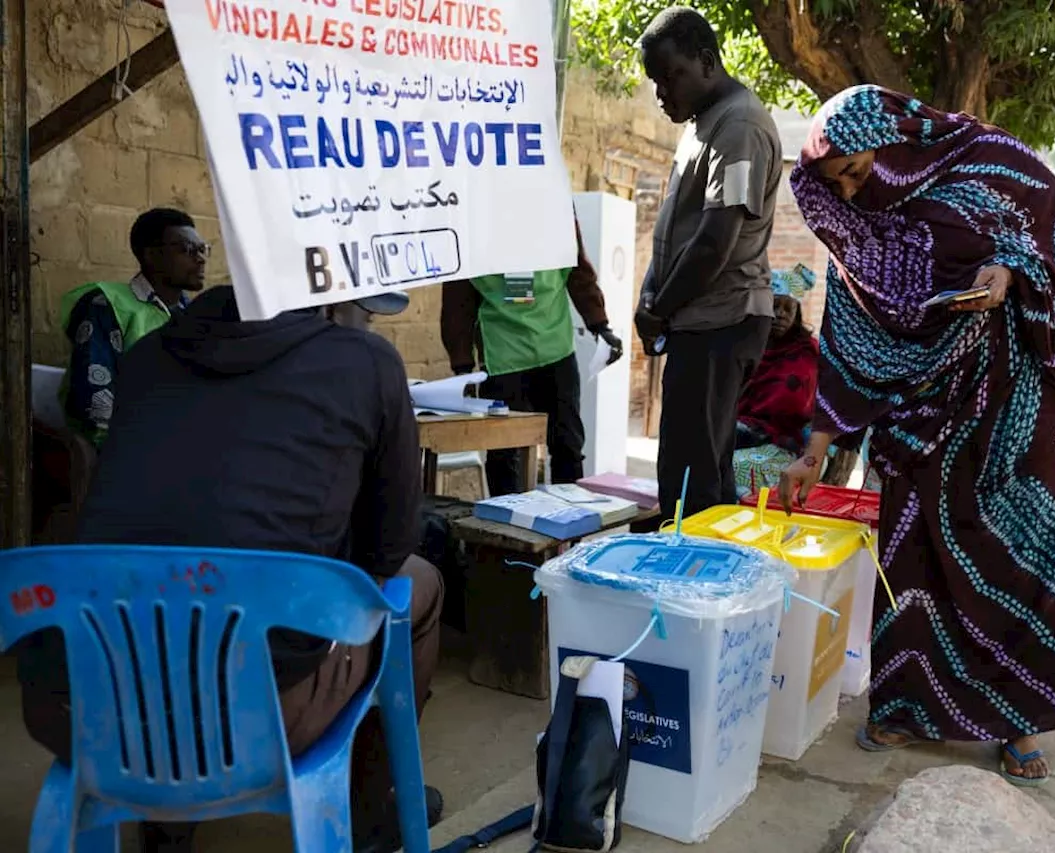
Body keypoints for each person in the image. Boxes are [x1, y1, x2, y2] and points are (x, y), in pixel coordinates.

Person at [18, 285, 443, 853]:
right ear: (329, 301)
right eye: (365, 311)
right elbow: (388, 549)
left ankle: (166, 827)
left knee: (178, 586)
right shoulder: (367, 361)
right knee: (419, 584)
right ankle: (370, 818)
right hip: (257, 715)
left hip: (77, 705)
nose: (368, 325)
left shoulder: (147, 356)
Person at [778, 86, 1055, 786]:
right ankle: (905, 703)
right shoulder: (855, 224)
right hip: (918, 416)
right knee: (913, 561)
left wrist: (1010, 273)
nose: (852, 189)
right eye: (836, 179)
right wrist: (815, 446)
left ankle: (1020, 716)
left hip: (1013, 406)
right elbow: (848, 336)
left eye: (857, 170)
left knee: (1022, 557)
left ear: (891, 138)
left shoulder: (995, 167)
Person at [633, 6, 783, 518]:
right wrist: (649, 296)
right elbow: (677, 232)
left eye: (670, 76)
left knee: (691, 482)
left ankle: (691, 591)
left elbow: (715, 240)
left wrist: (660, 309)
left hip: (722, 318)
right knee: (698, 472)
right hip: (698, 320)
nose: (661, 94)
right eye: (655, 82)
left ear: (707, 60)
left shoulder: (739, 124)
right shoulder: (705, 123)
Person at [441, 219, 624, 496]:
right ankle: (508, 533)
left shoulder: (555, 202)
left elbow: (578, 271)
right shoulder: (476, 210)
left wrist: (600, 324)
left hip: (555, 350)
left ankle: (569, 532)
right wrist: (462, 365)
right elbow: (459, 298)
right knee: (504, 453)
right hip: (504, 356)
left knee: (567, 447)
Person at [61, 207, 208, 445]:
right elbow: (94, 400)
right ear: (151, 255)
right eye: (187, 249)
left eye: (203, 249)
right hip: (127, 450)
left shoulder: (194, 316)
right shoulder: (106, 304)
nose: (200, 258)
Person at [731, 265, 820, 495]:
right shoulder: (747, 346)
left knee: (735, 467)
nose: (780, 314)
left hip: (789, 443)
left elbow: (800, 407)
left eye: (788, 309)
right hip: (741, 431)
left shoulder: (807, 352)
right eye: (775, 306)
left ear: (797, 314)